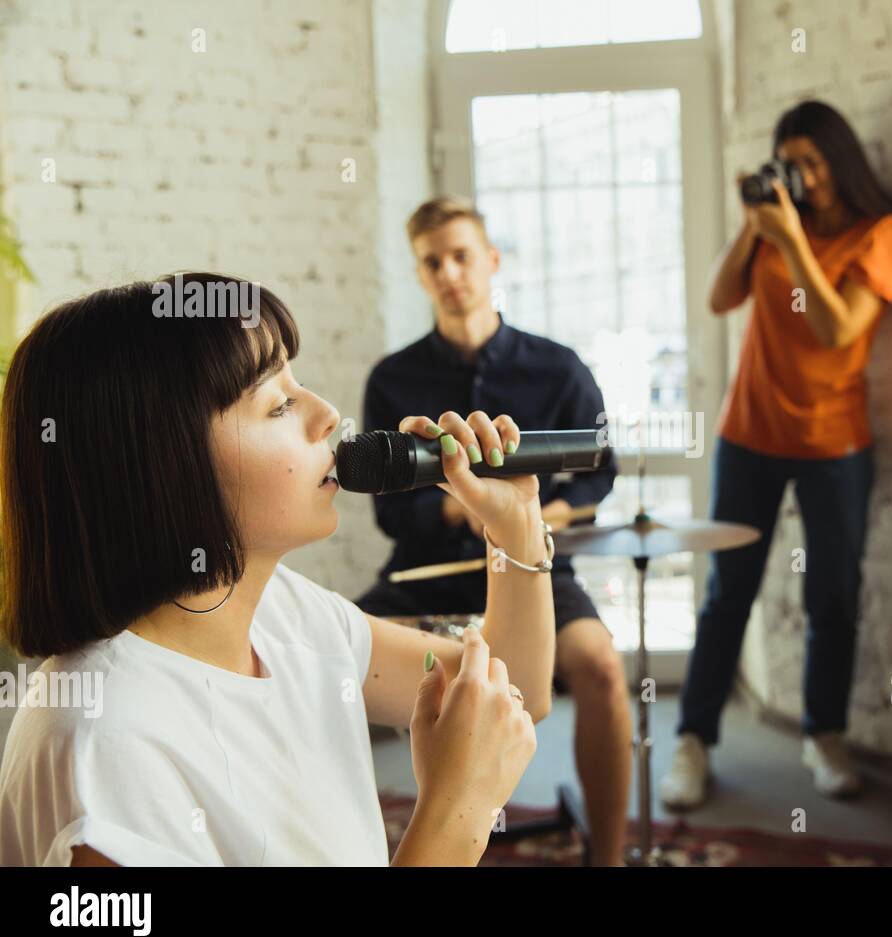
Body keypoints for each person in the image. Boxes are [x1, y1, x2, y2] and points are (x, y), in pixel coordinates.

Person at [0, 273, 555, 866]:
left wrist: (514, 523)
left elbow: (512, 688)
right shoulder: (104, 747)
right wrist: (457, 812)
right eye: (278, 404)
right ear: (167, 467)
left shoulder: (284, 614)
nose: (327, 415)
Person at [355, 198, 631, 866]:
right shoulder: (392, 379)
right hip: (422, 571)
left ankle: (612, 855)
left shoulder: (559, 367)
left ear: (491, 262)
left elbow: (599, 475)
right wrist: (463, 509)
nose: (450, 272)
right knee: (321, 666)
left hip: (534, 565)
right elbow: (390, 513)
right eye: (433, 262)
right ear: (420, 275)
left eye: (462, 256)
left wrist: (525, 522)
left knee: (601, 667)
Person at [660, 99, 892, 806]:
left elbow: (838, 329)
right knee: (727, 592)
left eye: (813, 162)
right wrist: (755, 225)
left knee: (831, 595)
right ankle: (693, 741)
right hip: (751, 435)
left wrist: (793, 240)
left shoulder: (880, 232)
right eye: (790, 164)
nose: (803, 177)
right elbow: (717, 298)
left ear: (840, 160)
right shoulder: (772, 226)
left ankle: (823, 734)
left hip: (835, 443)